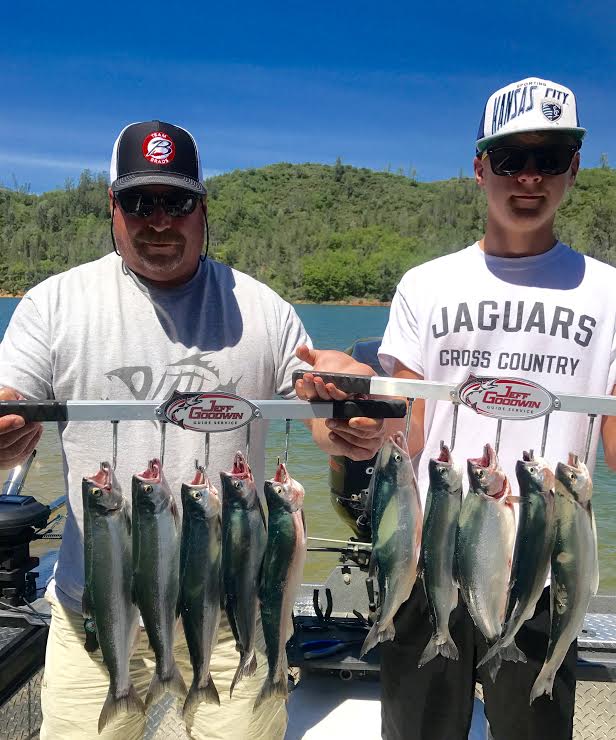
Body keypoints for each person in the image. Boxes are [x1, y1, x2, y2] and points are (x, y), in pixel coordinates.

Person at [0, 120, 385, 740]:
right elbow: (9, 398)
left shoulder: (261, 309)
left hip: (234, 608)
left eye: (175, 202)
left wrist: (346, 404)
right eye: (139, 202)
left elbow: (317, 403)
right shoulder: (52, 305)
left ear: (202, 208)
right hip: (96, 613)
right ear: (113, 207)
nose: (158, 221)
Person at [298, 77, 616, 740]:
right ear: (479, 169)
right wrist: (347, 422)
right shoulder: (427, 284)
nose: (528, 177)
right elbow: (405, 430)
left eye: (549, 158)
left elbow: (612, 447)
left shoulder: (609, 294)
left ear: (574, 170)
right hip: (430, 547)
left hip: (541, 553)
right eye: (510, 159)